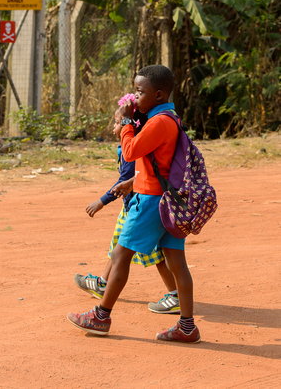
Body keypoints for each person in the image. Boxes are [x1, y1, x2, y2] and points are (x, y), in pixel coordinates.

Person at [68, 65, 200, 343]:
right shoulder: (167, 117)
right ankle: (187, 327)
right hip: (169, 201)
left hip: (151, 201)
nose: (135, 96)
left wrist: (127, 122)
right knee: (177, 262)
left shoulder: (160, 122)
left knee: (119, 256)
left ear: (159, 94)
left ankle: (100, 317)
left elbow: (130, 151)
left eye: (141, 92)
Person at [74, 99, 180, 314]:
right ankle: (104, 283)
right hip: (137, 205)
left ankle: (103, 311)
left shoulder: (134, 147)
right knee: (120, 249)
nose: (115, 128)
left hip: (141, 207)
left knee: (143, 254)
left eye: (117, 123)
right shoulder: (136, 141)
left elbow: (130, 174)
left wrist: (101, 201)